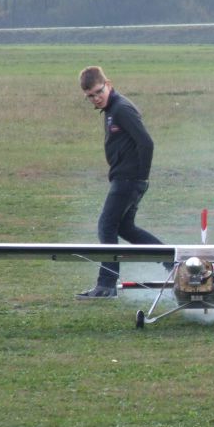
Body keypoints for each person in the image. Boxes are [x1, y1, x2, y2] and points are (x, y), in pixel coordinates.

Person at [77, 66, 165, 298]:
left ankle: (106, 285)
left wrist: (140, 176)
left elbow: (147, 143)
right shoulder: (110, 109)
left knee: (106, 226)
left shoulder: (122, 109)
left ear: (108, 84)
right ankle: (171, 261)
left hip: (128, 180)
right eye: (90, 96)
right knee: (125, 228)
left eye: (98, 92)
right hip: (125, 178)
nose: (96, 98)